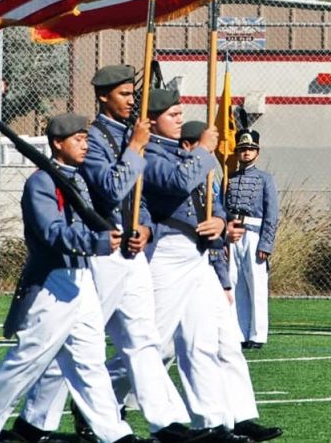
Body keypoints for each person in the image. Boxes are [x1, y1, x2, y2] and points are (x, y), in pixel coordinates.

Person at [19, 67, 193, 443]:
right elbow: (111, 190)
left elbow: (138, 194)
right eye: (124, 94)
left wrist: (145, 226)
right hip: (101, 249)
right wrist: (135, 149)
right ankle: (35, 419)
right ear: (103, 97)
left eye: (133, 94)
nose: (132, 101)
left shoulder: (134, 135)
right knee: (82, 338)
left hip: (132, 249)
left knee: (143, 337)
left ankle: (166, 421)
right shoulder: (95, 138)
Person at [0, 113, 141, 443]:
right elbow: (51, 233)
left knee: (90, 362)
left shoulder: (78, 178)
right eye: (78, 139)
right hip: (53, 281)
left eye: (86, 138)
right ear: (58, 143)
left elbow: (92, 217)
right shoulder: (41, 183)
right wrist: (97, 241)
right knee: (28, 358)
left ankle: (114, 433)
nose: (85, 144)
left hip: (82, 279)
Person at [113, 89, 278, 442]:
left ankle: (214, 421)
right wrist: (204, 149)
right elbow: (177, 183)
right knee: (152, 342)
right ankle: (102, 397)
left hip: (199, 253)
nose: (178, 119)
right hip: (168, 252)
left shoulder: (183, 154)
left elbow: (208, 201)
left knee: (206, 340)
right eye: (172, 114)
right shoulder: (150, 154)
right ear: (153, 119)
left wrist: (219, 224)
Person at [224, 128, 279, 350]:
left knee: (256, 284)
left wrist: (266, 243)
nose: (246, 153)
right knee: (234, 283)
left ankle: (257, 334)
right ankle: (238, 332)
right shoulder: (231, 177)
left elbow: (272, 214)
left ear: (257, 152)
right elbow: (223, 209)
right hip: (234, 233)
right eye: (242, 149)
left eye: (250, 149)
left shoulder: (265, 179)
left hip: (254, 234)